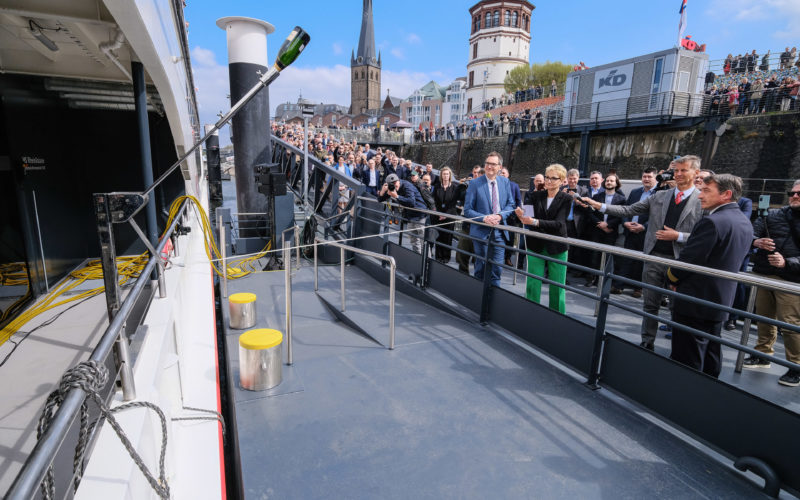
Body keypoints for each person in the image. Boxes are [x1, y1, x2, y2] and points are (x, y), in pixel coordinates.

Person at [580, 156, 704, 350]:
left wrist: (677, 236)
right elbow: (628, 209)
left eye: (684, 170)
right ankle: (647, 342)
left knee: (678, 308)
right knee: (650, 304)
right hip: (653, 257)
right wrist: (598, 205)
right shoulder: (660, 196)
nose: (678, 174)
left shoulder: (702, 200)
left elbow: (704, 236)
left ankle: (679, 350)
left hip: (681, 261)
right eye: (676, 170)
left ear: (696, 173)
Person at [666, 174, 753, 377]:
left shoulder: (712, 222)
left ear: (726, 194)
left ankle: (686, 399)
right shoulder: (743, 221)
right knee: (711, 353)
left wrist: (671, 278)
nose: (700, 196)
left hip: (695, 299)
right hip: (720, 299)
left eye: (706, 191)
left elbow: (688, 261)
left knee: (687, 358)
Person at [743, 180, 800, 387]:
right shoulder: (774, 214)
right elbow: (750, 232)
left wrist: (788, 263)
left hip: (792, 280)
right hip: (765, 273)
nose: (794, 196)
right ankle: (762, 354)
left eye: (799, 194)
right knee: (763, 318)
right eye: (792, 193)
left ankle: (796, 365)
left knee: (790, 325)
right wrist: (756, 242)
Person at [515, 164, 572, 313]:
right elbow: (528, 217)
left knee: (558, 285)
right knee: (533, 283)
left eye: (554, 178)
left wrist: (535, 222)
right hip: (536, 244)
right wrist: (522, 216)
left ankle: (558, 317)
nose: (549, 180)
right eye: (547, 177)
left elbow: (559, 223)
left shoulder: (566, 198)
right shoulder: (534, 195)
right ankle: (531, 313)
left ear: (562, 180)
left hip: (557, 246)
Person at [463, 152, 515, 287]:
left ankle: (494, 300)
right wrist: (484, 218)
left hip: (499, 232)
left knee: (497, 268)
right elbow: (468, 210)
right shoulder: (474, 183)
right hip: (481, 231)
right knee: (481, 267)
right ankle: (478, 298)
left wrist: (499, 216)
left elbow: (511, 204)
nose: (489, 166)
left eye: (493, 164)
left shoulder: (505, 182)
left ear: (500, 167)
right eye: (487, 163)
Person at [617, 168, 657, 298]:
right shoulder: (635, 192)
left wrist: (643, 226)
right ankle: (619, 285)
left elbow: (658, 217)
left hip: (646, 233)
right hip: (630, 231)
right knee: (626, 259)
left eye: (649, 177)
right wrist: (625, 223)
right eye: (644, 176)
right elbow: (626, 209)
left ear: (655, 177)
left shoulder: (660, 193)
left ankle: (638, 288)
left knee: (642, 262)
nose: (646, 179)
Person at [585, 173, 626, 287]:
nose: (609, 182)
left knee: (607, 257)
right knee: (594, 255)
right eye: (607, 181)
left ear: (616, 183)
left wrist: (608, 225)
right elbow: (590, 212)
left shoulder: (621, 199)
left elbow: (621, 215)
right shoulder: (597, 197)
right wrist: (600, 224)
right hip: (597, 230)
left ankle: (603, 281)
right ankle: (592, 278)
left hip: (611, 232)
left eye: (612, 181)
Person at [378, 173, 427, 253]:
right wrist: (383, 191)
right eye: (392, 184)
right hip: (410, 216)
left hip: (420, 214)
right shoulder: (391, 189)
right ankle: (417, 258)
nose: (394, 185)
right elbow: (380, 199)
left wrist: (397, 196)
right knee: (413, 240)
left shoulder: (407, 186)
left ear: (399, 181)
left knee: (423, 241)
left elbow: (411, 202)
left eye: (395, 183)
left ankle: (426, 262)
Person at [432, 167, 460, 263]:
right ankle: (438, 257)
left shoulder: (454, 187)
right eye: (444, 174)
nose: (445, 176)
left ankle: (446, 257)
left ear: (450, 175)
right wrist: (438, 213)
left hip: (449, 216)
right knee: (439, 237)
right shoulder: (437, 187)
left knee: (447, 237)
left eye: (447, 174)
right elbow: (434, 201)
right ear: (441, 175)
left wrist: (446, 215)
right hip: (438, 216)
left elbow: (453, 203)